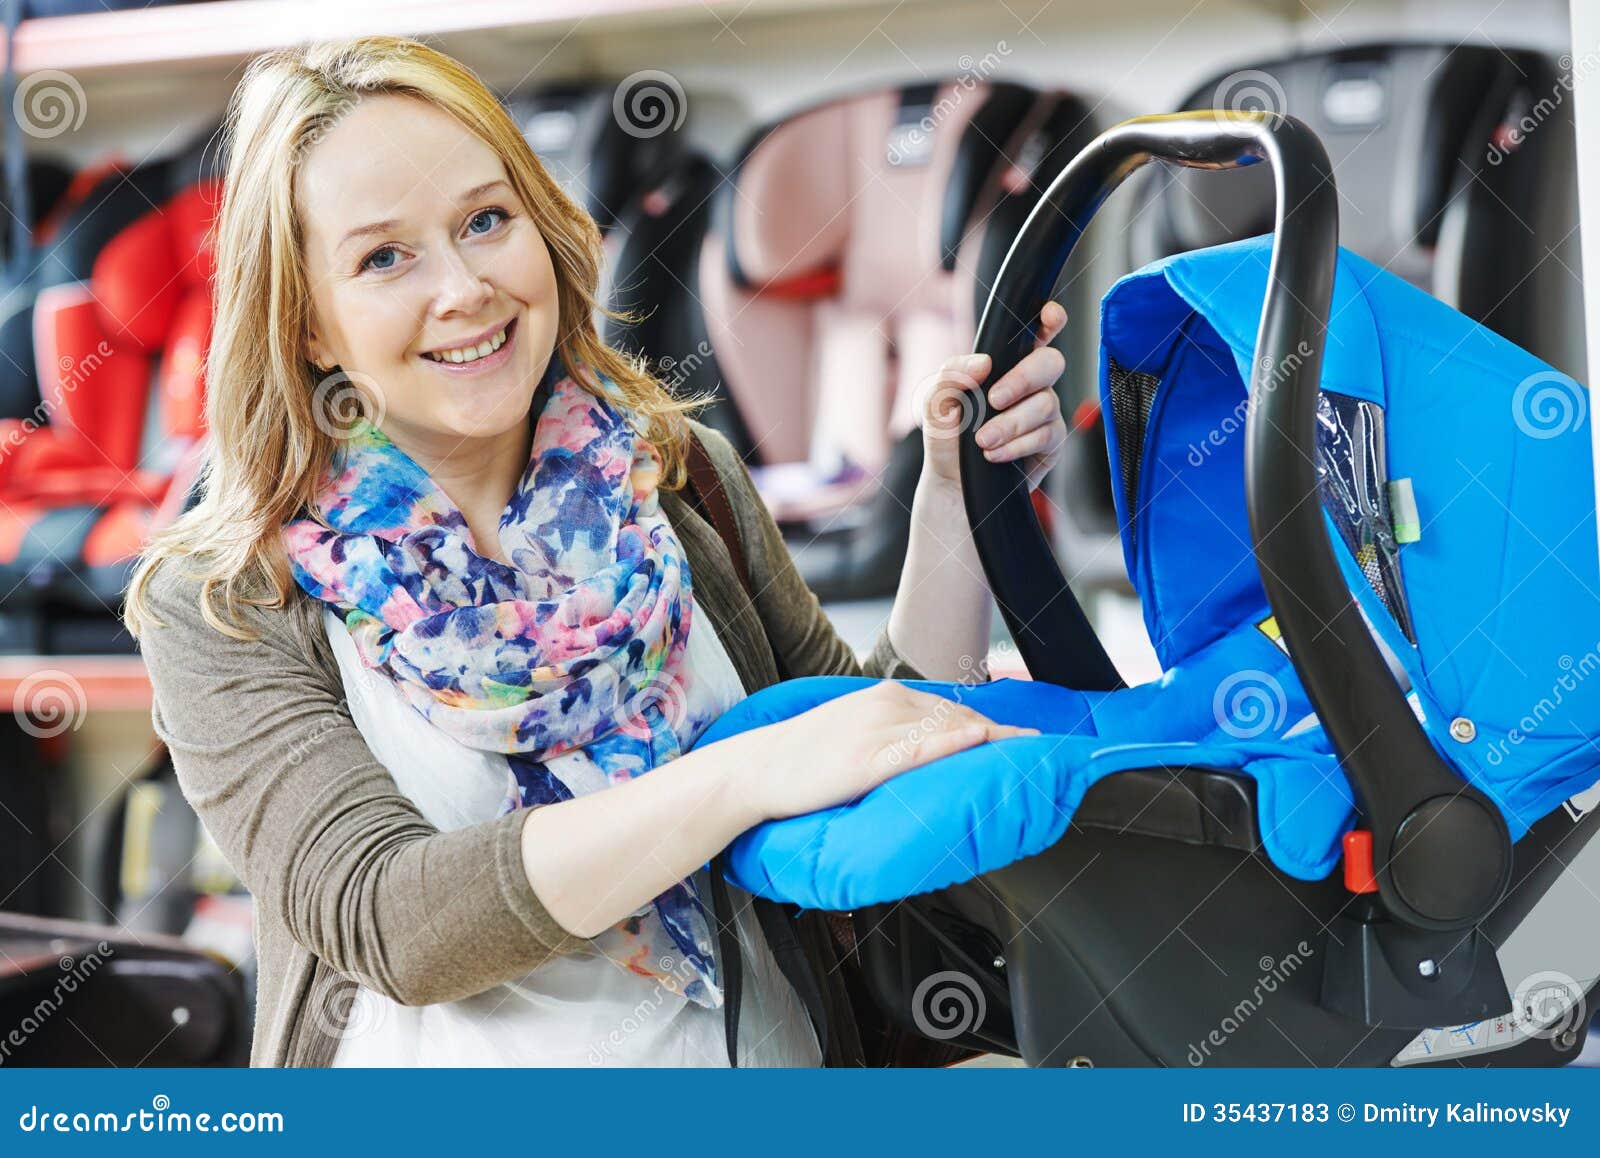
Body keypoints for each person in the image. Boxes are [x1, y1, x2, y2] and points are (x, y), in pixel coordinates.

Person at [125, 35, 1071, 1067]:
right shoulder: (224, 597)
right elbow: (392, 920)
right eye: (384, 256)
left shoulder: (677, 475)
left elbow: (861, 753)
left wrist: (956, 494)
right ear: (307, 322)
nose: (464, 289)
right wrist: (737, 780)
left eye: (486, 220)